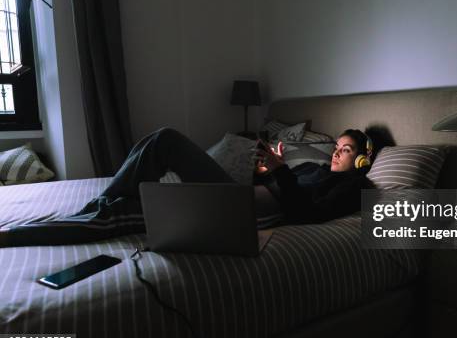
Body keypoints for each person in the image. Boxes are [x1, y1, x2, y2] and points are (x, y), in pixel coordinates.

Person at [1, 127, 373, 246]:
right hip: (240, 194)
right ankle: (101, 203)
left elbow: (306, 214)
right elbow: (279, 184)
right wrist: (267, 170)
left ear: (361, 158)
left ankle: (16, 235)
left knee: (163, 145)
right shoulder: (311, 165)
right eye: (337, 146)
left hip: (241, 211)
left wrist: (281, 173)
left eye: (347, 150)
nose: (337, 153)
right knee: (155, 146)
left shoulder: (355, 184)